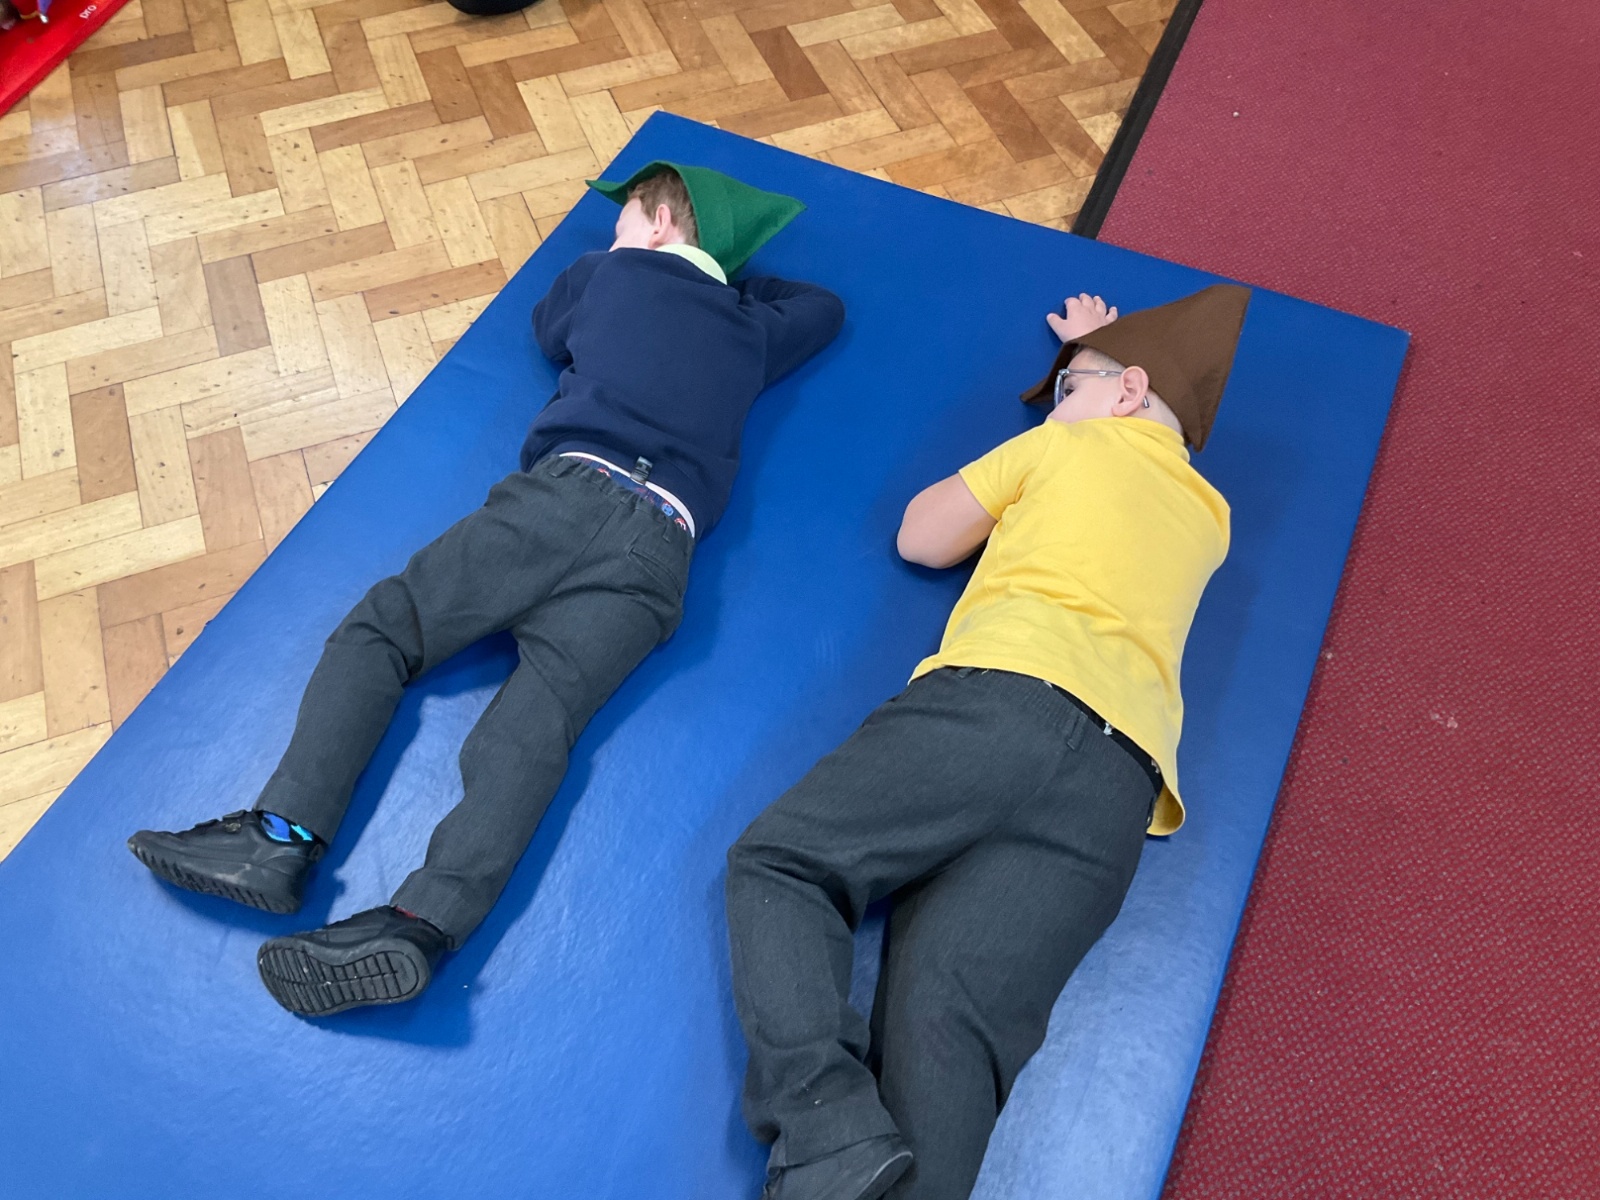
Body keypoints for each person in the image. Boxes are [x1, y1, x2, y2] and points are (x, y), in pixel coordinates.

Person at [128, 162, 845, 1018]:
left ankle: (278, 838)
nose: (611, 234)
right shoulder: (752, 330)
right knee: (532, 730)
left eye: (624, 221)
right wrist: (726, 280)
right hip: (663, 549)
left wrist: (639, 265)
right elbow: (822, 307)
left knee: (385, 630)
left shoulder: (607, 274)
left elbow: (550, 331)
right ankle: (423, 924)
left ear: (656, 224)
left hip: (568, 495)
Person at [723, 284, 1251, 1200]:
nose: (1055, 406)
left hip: (1003, 703)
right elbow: (1133, 433)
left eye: (1066, 391)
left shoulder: (1067, 442)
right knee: (948, 1022)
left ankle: (824, 1126)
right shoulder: (1211, 518)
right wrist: (1096, 360)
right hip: (1118, 792)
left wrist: (1066, 414)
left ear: (1127, 392)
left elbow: (921, 538)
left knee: (783, 864)